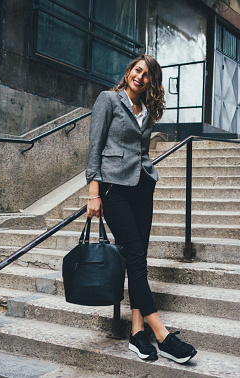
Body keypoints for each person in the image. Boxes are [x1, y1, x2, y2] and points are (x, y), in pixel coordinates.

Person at [85, 55, 197, 364]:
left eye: (147, 74)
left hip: (141, 189)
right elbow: (95, 146)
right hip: (114, 189)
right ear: (129, 72)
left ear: (151, 81)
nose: (140, 76)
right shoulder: (108, 100)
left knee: (138, 259)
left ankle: (137, 333)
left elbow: (140, 151)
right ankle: (162, 335)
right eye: (137, 70)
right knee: (134, 257)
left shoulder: (146, 113)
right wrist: (94, 191)